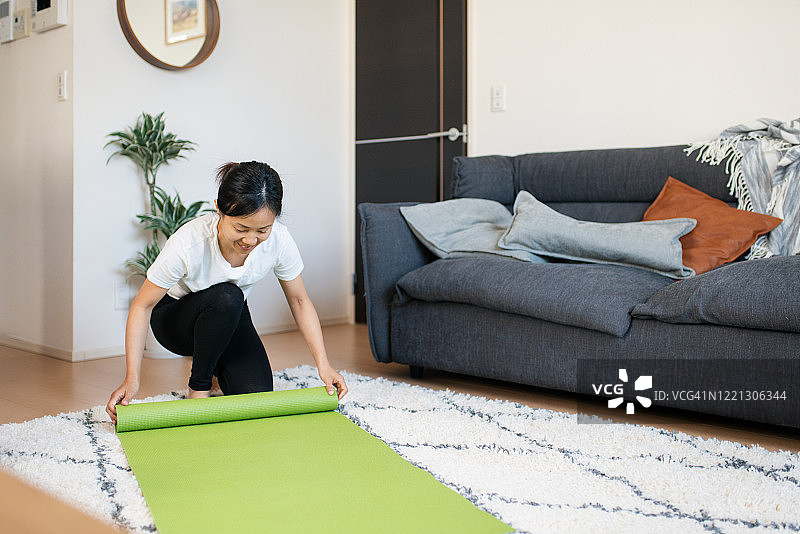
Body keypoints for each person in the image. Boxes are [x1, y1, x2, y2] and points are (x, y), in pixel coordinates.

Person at [106, 161, 348, 423]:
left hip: (228, 316)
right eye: (241, 229)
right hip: (176, 321)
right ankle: (198, 388)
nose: (250, 240)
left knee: (257, 400)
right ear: (219, 209)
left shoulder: (279, 240)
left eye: (262, 230)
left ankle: (216, 368)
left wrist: (323, 365)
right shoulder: (189, 242)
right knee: (227, 296)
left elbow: (300, 301)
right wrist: (132, 379)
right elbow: (141, 306)